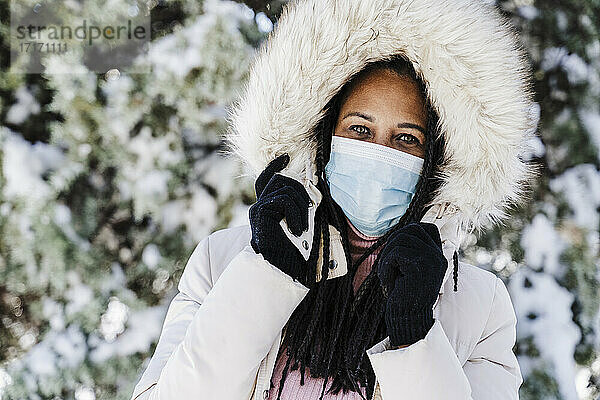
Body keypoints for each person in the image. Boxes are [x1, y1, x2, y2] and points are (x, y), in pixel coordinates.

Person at [130, 0, 537, 399]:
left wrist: (415, 337)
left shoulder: (478, 309)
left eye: (407, 139)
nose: (380, 152)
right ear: (323, 138)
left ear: (437, 160)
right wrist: (264, 277)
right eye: (360, 130)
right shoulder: (222, 262)